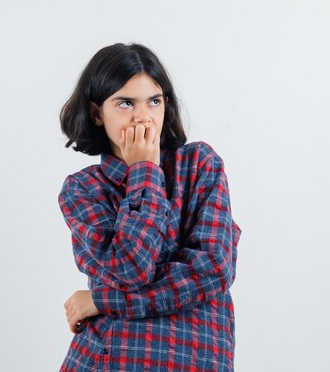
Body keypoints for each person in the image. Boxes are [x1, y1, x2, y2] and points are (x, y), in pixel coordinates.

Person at [57, 42, 242, 372]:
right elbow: (133, 267)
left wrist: (102, 300)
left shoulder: (200, 165)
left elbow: (214, 270)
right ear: (98, 113)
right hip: (109, 358)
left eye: (154, 101)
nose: (143, 116)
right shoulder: (82, 190)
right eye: (126, 103)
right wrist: (144, 170)